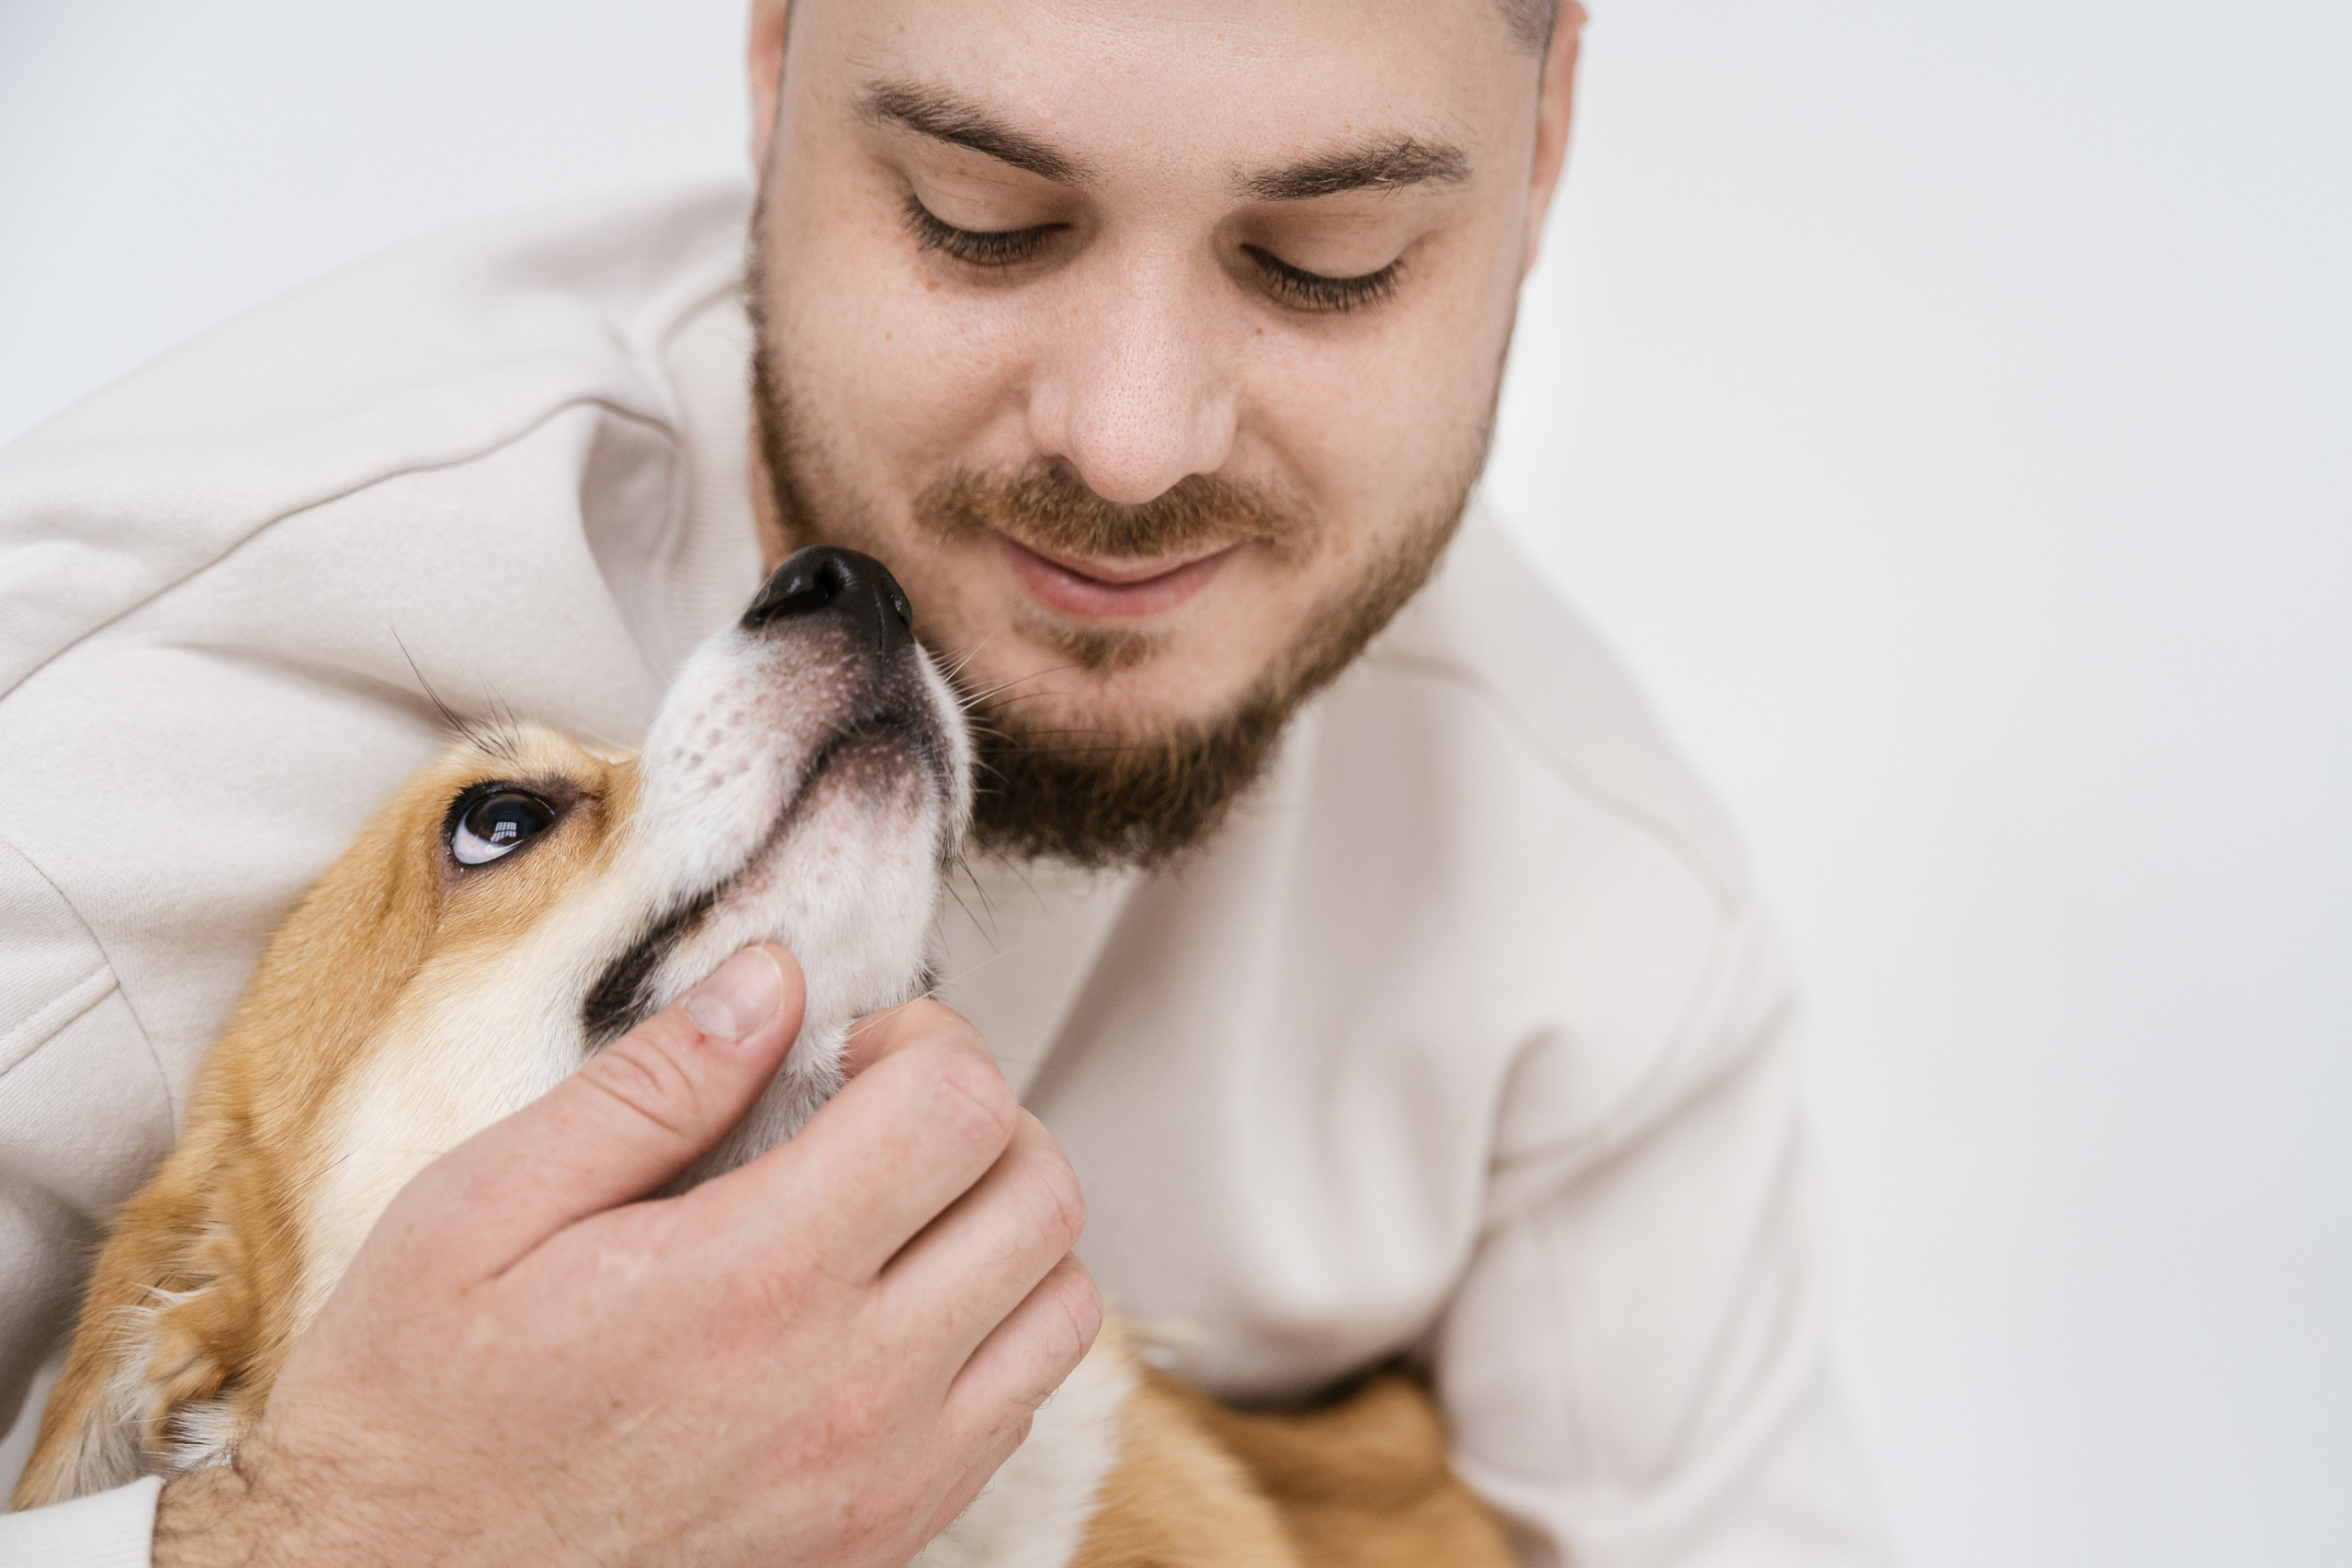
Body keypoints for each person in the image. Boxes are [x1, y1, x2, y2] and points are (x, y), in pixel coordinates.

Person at [0, 2, 1894, 1563]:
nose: (1133, 443)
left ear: (1549, 131)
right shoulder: (102, 743)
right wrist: (351, 1537)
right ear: (771, 63)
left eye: (1328, 264)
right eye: (980, 216)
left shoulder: (1604, 905)